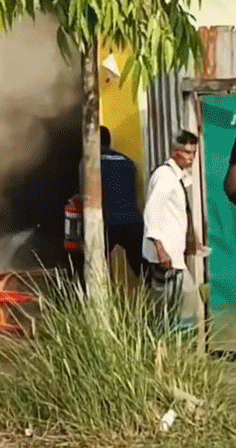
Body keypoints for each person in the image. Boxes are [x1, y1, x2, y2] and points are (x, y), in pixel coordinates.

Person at [143, 130, 200, 331]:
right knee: (166, 311)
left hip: (175, 258)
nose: (191, 157)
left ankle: (177, 351)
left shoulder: (178, 178)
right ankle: (162, 352)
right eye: (187, 152)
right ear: (175, 152)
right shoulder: (165, 177)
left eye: (193, 153)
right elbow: (152, 213)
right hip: (165, 260)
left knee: (184, 304)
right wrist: (160, 249)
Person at [77, 126, 145, 276]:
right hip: (133, 221)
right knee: (143, 272)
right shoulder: (128, 162)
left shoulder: (89, 164)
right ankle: (158, 298)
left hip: (107, 223)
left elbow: (87, 195)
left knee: (91, 270)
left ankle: (94, 298)